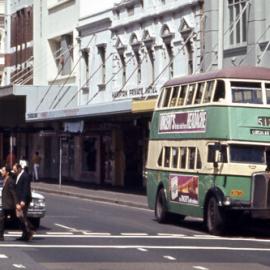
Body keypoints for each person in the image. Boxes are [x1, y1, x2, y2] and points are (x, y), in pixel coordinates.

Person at [12, 163, 34, 241]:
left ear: (19, 168)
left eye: (14, 170)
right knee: (20, 216)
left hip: (24, 200)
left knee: (22, 216)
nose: (14, 171)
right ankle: (25, 234)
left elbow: (25, 189)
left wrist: (23, 200)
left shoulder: (25, 176)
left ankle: (29, 231)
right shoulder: (17, 175)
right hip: (19, 199)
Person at [0, 166, 19, 241]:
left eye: (3, 171)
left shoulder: (10, 181)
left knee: (1, 219)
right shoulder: (5, 179)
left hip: (9, 204)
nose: (2, 172)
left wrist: (17, 203)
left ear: (7, 172)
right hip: (6, 204)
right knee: (19, 218)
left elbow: (13, 193)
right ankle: (27, 230)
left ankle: (1, 236)